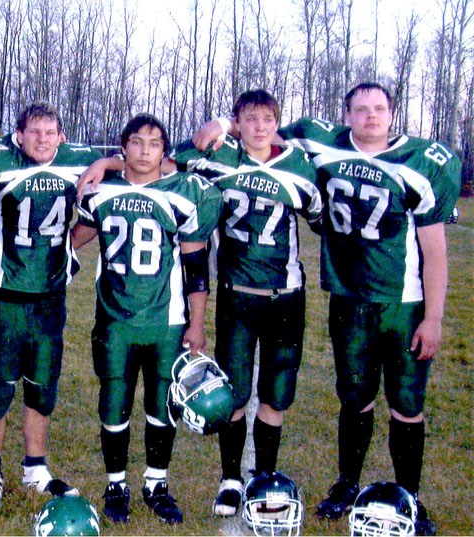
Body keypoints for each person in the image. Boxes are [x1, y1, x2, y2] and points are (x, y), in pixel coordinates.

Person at [194, 82, 461, 535]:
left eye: (379, 109)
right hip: (348, 297)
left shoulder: (422, 162)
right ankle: (346, 484)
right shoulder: (319, 141)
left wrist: (433, 317)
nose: (371, 116)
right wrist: (223, 121)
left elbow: (434, 250)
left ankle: (409, 498)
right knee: (354, 400)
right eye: (361, 109)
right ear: (347, 114)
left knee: (406, 405)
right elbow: (256, 129)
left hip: (404, 302)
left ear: (392, 114)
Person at [174, 89, 322, 517]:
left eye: (267, 119)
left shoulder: (297, 164)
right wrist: (219, 124)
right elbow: (171, 157)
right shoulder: (219, 157)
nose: (259, 127)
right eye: (250, 118)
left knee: (275, 396)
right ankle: (231, 479)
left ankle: (264, 477)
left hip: (286, 296)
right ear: (239, 120)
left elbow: (318, 213)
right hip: (237, 295)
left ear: (277, 121)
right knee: (235, 394)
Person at [71, 113, 222, 525]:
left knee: (161, 403)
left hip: (167, 319)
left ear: (164, 151)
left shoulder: (184, 192)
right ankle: (116, 483)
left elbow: (196, 268)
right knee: (114, 401)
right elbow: (82, 231)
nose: (144, 151)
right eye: (136, 142)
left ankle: (156, 483)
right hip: (115, 317)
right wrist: (63, 252)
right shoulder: (100, 192)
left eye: (154, 144)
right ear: (123, 148)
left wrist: (197, 323)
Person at [0, 102, 102, 509]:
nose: (42, 140)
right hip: (6, 292)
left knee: (42, 386)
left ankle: (35, 470)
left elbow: (101, 206)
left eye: (50, 132)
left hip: (50, 296)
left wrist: (66, 247)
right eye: (34, 132)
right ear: (19, 135)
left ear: (62, 136)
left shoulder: (80, 162)